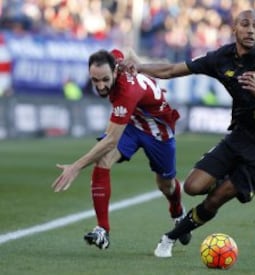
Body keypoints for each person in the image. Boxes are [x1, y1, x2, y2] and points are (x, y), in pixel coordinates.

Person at [123, 9, 255, 257]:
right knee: (193, 187)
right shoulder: (221, 58)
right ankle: (221, 178)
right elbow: (172, 70)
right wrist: (139, 68)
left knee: (216, 198)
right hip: (239, 136)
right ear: (234, 29)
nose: (251, 30)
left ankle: (170, 238)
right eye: (245, 24)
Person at [51, 49, 191, 249]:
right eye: (95, 80)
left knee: (165, 184)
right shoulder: (112, 60)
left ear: (115, 72)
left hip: (157, 129)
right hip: (132, 124)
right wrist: (141, 69)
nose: (101, 86)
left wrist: (75, 167)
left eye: (105, 80)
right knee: (103, 159)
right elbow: (128, 53)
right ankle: (103, 230)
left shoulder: (127, 91)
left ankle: (177, 212)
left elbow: (110, 140)